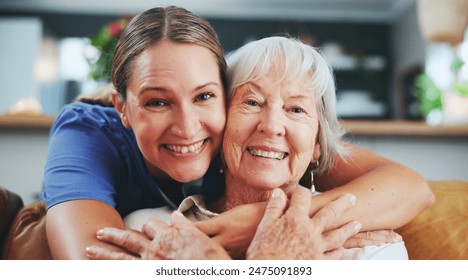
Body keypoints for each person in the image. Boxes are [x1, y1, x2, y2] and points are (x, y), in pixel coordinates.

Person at [42, 6, 433, 259]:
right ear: (122, 108)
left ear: (222, 98)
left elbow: (412, 188)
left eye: (204, 96)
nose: (188, 126)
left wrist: (259, 222)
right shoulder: (90, 135)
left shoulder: (273, 143)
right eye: (157, 102)